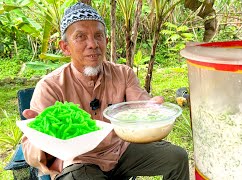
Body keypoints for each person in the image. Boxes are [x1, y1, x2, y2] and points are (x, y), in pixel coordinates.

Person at [21, 2, 190, 180]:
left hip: (120, 151)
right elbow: (29, 148)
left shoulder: (123, 74)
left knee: (176, 158)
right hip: (80, 162)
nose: (92, 44)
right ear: (65, 47)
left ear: (106, 41)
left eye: (98, 36)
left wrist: (150, 108)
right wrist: (41, 138)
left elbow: (141, 105)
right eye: (80, 37)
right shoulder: (51, 86)